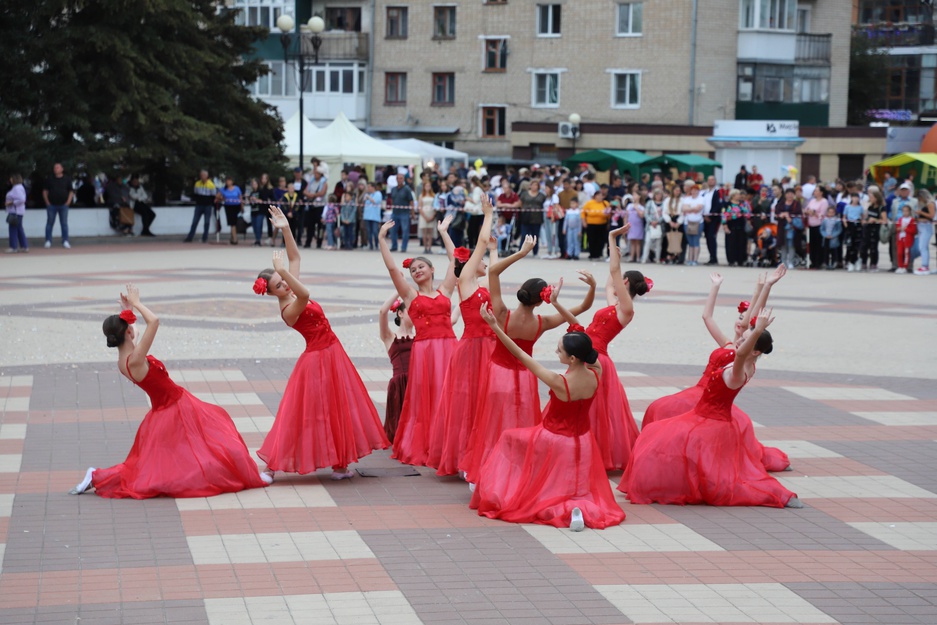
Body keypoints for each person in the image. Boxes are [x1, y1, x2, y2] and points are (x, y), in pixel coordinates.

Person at [69, 284, 269, 497]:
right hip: (175, 407)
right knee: (214, 440)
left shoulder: (124, 360)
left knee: (162, 463)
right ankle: (96, 474)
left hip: (167, 408)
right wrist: (136, 303)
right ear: (127, 332)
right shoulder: (136, 359)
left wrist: (129, 312)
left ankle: (95, 475)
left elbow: (133, 333)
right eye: (130, 326)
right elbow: (154, 322)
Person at [254, 208, 388, 479]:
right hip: (316, 360)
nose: (285, 285)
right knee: (304, 415)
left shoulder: (290, 288)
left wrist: (285, 228)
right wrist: (283, 272)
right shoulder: (289, 309)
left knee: (338, 407)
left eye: (283, 281)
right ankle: (272, 466)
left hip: (333, 354)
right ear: (271, 293)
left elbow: (295, 256)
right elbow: (305, 293)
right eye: (279, 285)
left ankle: (340, 464)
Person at [622, 308, 801, 508]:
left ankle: (663, 486)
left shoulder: (739, 370)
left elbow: (741, 353)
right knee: (655, 433)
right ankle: (669, 484)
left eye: (747, 339)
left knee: (658, 439)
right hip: (700, 415)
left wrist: (758, 330)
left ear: (756, 351)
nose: (740, 341)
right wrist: (757, 328)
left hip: (712, 423)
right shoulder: (744, 364)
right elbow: (741, 348)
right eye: (743, 337)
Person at [460, 237, 597, 484]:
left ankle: (483, 472)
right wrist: (592, 288)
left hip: (498, 373)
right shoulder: (542, 323)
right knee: (521, 425)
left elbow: (493, 271)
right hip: (525, 377)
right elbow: (583, 308)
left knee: (491, 424)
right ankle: (517, 472)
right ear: (541, 299)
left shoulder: (502, 313)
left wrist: (521, 253)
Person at [471, 319, 625, 531]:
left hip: (554, 439)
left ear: (572, 358)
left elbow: (521, 354)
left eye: (559, 350)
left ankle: (506, 492)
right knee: (576, 487)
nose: (556, 351)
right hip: (584, 441)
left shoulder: (559, 381)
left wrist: (496, 327)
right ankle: (577, 508)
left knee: (508, 437)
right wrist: (577, 332)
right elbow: (591, 350)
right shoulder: (597, 373)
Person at [641, 269, 790, 473]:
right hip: (699, 392)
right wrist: (715, 286)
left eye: (744, 320)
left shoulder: (742, 356)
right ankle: (660, 458)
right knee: (660, 410)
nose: (740, 321)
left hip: (708, 398)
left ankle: (668, 461)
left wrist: (765, 288)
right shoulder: (729, 344)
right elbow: (707, 316)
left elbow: (753, 323)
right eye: (738, 317)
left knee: (664, 412)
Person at [427, 196, 499, 476]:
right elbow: (475, 247)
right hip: (473, 348)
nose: (477, 259)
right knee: (470, 401)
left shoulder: (481, 281)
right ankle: (467, 457)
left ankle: (483, 452)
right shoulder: (466, 280)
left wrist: (494, 250)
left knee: (487, 400)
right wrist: (488, 215)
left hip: (491, 345)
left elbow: (494, 268)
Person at [378, 217, 457, 466]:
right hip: (425, 349)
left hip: (449, 346)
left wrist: (443, 232)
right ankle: (429, 444)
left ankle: (449, 443)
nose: (417, 270)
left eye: (421, 266)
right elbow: (393, 270)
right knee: (427, 396)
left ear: (432, 270)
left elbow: (455, 261)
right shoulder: (410, 296)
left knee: (450, 395)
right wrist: (381, 240)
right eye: (413, 270)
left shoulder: (445, 290)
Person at [581, 225, 645, 470]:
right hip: (589, 353)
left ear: (626, 282)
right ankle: (588, 445)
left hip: (597, 357)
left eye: (622, 280)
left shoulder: (626, 308)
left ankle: (594, 449)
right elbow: (610, 285)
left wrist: (611, 238)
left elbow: (614, 274)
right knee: (592, 406)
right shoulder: (616, 305)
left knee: (595, 407)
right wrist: (615, 255)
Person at [379, 294, 415, 443]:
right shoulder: (389, 336)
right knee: (399, 428)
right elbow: (382, 312)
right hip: (399, 384)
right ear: (400, 313)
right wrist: (399, 291)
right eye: (410, 311)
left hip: (417, 381)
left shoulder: (420, 336)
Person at [43, 163, 74, 249]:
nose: (55, 169)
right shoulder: (50, 179)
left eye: (57, 167)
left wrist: (68, 202)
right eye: (54, 167)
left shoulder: (67, 179)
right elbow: (45, 191)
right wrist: (47, 202)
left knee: (64, 223)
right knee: (49, 223)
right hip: (51, 205)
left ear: (62, 169)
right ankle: (48, 240)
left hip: (64, 205)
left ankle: (65, 241)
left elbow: (71, 191)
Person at [184, 170, 217, 243]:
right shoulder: (197, 183)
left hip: (207, 205)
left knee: (206, 222)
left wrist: (210, 203)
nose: (202, 177)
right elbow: (196, 193)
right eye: (201, 175)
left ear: (206, 176)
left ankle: (205, 238)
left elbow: (213, 195)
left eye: (203, 175)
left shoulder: (211, 184)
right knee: (195, 221)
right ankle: (190, 237)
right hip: (199, 205)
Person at [722, 189, 751, 267]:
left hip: (741, 226)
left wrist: (742, 214)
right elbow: (724, 215)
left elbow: (747, 214)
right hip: (731, 226)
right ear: (733, 195)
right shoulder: (728, 204)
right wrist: (725, 226)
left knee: (741, 243)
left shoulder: (742, 204)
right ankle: (731, 260)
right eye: (738, 194)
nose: (739, 196)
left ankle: (741, 260)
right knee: (731, 244)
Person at [388, 174, 416, 253]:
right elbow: (392, 200)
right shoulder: (393, 189)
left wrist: (412, 212)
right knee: (392, 230)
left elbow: (411, 201)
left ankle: (403, 247)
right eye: (398, 178)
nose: (399, 180)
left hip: (404, 213)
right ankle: (394, 246)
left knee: (405, 231)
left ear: (403, 180)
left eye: (401, 178)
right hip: (395, 213)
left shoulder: (407, 189)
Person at [518, 180, 546, 256]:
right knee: (524, 235)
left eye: (536, 185)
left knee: (535, 235)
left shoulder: (542, 195)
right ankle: (521, 251)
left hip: (537, 218)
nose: (534, 187)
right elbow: (520, 203)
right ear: (530, 186)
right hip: (526, 217)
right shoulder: (524, 194)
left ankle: (535, 252)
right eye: (533, 185)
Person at [804, 185, 829, 270]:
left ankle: (819, 262)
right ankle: (812, 261)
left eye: (816, 191)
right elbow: (806, 209)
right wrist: (809, 212)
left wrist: (814, 213)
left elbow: (822, 214)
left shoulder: (824, 201)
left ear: (821, 192)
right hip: (811, 225)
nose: (815, 192)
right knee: (812, 244)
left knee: (819, 244)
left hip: (819, 225)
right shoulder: (812, 201)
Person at [581, 190, 610, 260]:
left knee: (601, 240)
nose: (600, 197)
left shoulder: (605, 203)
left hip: (602, 224)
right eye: (599, 195)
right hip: (591, 224)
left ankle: (598, 253)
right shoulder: (589, 203)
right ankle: (592, 254)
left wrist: (608, 222)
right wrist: (584, 222)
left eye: (601, 196)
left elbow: (609, 213)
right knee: (591, 239)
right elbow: (583, 213)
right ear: (595, 196)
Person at [681, 184, 705, 265]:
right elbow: (684, 209)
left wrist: (689, 208)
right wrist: (692, 208)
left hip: (698, 222)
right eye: (693, 190)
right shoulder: (687, 199)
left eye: (696, 190)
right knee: (690, 242)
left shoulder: (701, 199)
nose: (694, 192)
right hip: (688, 222)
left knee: (696, 241)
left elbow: (698, 209)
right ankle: (690, 259)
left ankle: (695, 259)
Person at [914, 189, 936, 275]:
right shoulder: (925, 204)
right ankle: (924, 265)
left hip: (926, 227)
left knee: (923, 247)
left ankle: (925, 266)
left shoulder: (930, 204)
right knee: (922, 247)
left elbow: (932, 215)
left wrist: (921, 212)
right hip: (922, 226)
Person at [216, 177, 243, 245]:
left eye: (229, 181)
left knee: (234, 223)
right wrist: (222, 198)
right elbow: (217, 196)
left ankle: (233, 237)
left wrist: (242, 207)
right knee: (232, 223)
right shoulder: (223, 189)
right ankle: (234, 238)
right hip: (228, 207)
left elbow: (240, 198)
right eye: (227, 181)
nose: (228, 182)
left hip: (236, 206)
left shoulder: (236, 188)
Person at [5, 173, 28, 253]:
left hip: (15, 211)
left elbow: (21, 200)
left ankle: (13, 247)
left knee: (13, 229)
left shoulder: (17, 188)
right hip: (18, 211)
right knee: (19, 229)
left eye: (11, 178)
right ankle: (24, 246)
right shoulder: (18, 187)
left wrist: (10, 203)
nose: (10, 180)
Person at [842, 193, 864, 272]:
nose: (855, 199)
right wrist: (846, 225)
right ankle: (850, 261)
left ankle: (855, 261)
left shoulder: (860, 207)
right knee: (850, 245)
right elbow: (844, 217)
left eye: (856, 198)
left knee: (856, 245)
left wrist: (861, 224)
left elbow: (862, 217)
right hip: (850, 225)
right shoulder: (847, 207)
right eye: (853, 197)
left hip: (857, 225)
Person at [895, 203, 917, 274]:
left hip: (907, 239)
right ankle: (900, 266)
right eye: (904, 211)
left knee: (906, 253)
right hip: (900, 239)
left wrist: (906, 229)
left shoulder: (912, 220)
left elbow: (913, 230)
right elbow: (897, 228)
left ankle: (905, 266)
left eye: (907, 211)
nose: (905, 212)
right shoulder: (900, 219)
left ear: (910, 211)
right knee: (899, 253)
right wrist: (900, 229)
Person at [363, 181, 383, 250]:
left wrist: (369, 197)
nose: (368, 188)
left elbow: (375, 201)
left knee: (375, 231)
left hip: (375, 217)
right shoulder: (368, 194)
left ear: (373, 187)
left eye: (369, 187)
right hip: (367, 216)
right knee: (368, 231)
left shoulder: (378, 194)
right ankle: (371, 245)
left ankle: (377, 244)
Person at [418, 181, 437, 254]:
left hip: (431, 213)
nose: (427, 187)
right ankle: (425, 247)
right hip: (424, 213)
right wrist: (424, 216)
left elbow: (435, 206)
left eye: (429, 186)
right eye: (426, 186)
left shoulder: (433, 195)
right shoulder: (421, 196)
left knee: (430, 232)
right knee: (424, 232)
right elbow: (420, 207)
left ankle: (430, 247)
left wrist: (433, 215)